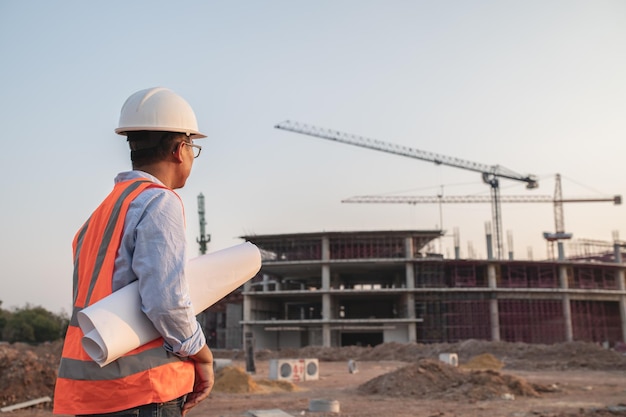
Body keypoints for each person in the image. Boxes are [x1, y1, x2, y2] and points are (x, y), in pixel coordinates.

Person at [53, 87, 214, 417]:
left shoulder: (101, 214)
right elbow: (165, 301)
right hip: (142, 391)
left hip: (90, 394)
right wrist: (202, 354)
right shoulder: (159, 202)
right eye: (193, 148)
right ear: (179, 149)